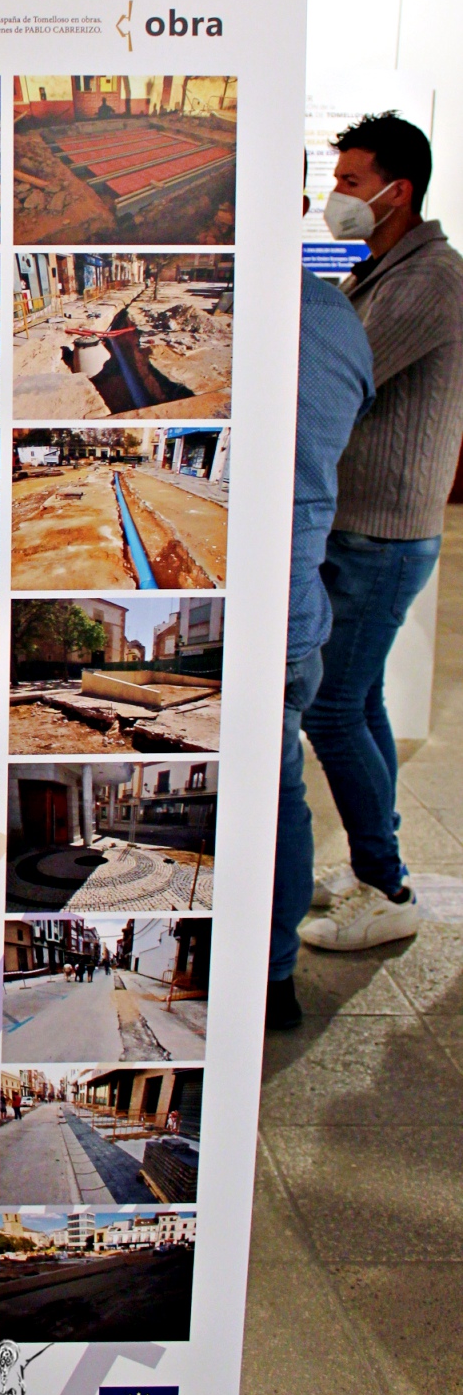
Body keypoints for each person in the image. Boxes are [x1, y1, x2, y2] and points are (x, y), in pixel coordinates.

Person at [299, 112, 463, 955]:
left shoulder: (429, 279)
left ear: (400, 190)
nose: (338, 199)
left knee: (330, 710)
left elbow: (341, 379)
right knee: (357, 701)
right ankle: (376, 870)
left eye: (352, 183)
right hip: (362, 525)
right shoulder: (382, 267)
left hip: (382, 534)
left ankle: (390, 886)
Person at [268, 264, 374, 1028]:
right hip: (290, 610)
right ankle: (272, 979)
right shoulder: (328, 311)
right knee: (278, 799)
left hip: (277, 615)